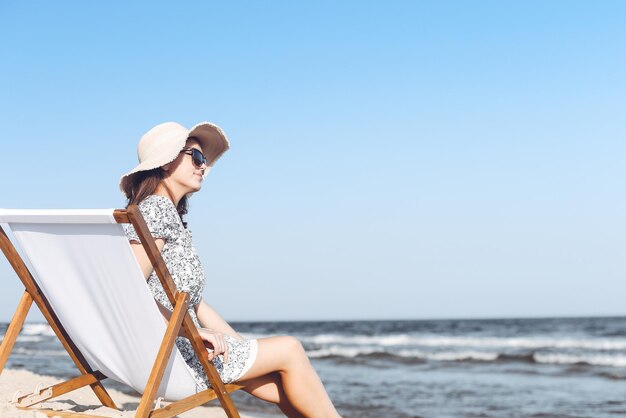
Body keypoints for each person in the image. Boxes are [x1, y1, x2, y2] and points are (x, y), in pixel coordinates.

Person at [119, 121, 341, 418]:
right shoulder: (155, 209)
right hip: (173, 357)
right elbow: (127, 287)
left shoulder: (166, 215)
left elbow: (196, 304)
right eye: (196, 157)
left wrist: (240, 346)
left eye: (205, 161)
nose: (203, 167)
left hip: (180, 348)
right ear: (166, 161)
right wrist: (194, 335)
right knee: (290, 348)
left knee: (283, 379)